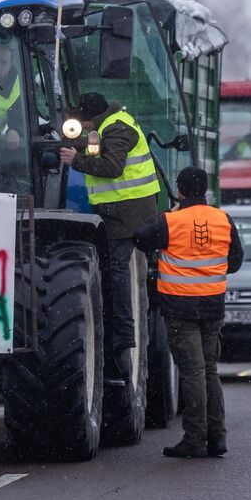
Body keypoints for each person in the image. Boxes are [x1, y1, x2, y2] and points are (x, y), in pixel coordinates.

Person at [133, 166, 244, 458]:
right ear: (205, 189)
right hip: (213, 307)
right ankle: (217, 437)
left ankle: (195, 440)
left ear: (180, 191)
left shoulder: (170, 221)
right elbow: (234, 262)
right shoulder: (223, 219)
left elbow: (139, 238)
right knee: (209, 369)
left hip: (180, 308)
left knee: (192, 372)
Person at [58, 92, 160, 386]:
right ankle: (119, 339)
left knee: (117, 274)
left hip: (127, 215)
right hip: (118, 212)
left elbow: (112, 167)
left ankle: (122, 342)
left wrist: (75, 160)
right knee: (112, 273)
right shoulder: (103, 128)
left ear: (89, 117)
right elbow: (98, 157)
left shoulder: (116, 128)